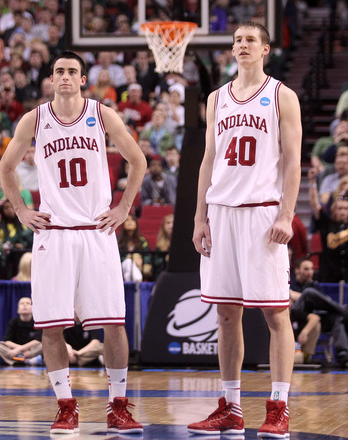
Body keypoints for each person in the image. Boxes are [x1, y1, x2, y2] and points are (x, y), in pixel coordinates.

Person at [0, 51, 147, 435]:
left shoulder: (102, 114)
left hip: (97, 232)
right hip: (55, 233)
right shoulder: (34, 119)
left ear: (83, 80)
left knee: (114, 323)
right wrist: (21, 210)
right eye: (59, 71)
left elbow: (138, 160)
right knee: (52, 327)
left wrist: (124, 207)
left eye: (72, 72)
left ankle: (118, 405)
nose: (65, 77)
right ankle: (66, 405)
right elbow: (5, 168)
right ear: (51, 79)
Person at [190, 21, 302, 437]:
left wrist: (285, 214)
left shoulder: (281, 96)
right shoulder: (217, 98)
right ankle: (231, 406)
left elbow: (293, 160)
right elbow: (207, 161)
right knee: (225, 314)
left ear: (266, 49)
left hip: (261, 213)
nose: (241, 45)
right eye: (237, 40)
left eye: (250, 40)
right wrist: (200, 216)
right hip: (221, 211)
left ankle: (278, 406)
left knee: (275, 313)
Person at [289, 258, 348, 367]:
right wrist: (304, 296)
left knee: (337, 318)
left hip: (315, 317)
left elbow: (324, 304)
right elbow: (290, 295)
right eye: (306, 269)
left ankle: (343, 356)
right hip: (297, 316)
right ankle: (344, 310)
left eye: (312, 269)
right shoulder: (291, 283)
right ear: (297, 270)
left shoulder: (315, 286)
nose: (310, 272)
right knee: (308, 293)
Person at [0, 297, 43, 365]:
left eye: (28, 303)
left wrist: (19, 349)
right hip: (14, 351)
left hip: (31, 351)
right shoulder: (13, 322)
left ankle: (15, 360)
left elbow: (37, 340)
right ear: (18, 309)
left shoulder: (37, 322)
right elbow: (7, 340)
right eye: (22, 303)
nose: (24, 305)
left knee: (43, 345)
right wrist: (18, 350)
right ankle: (21, 361)